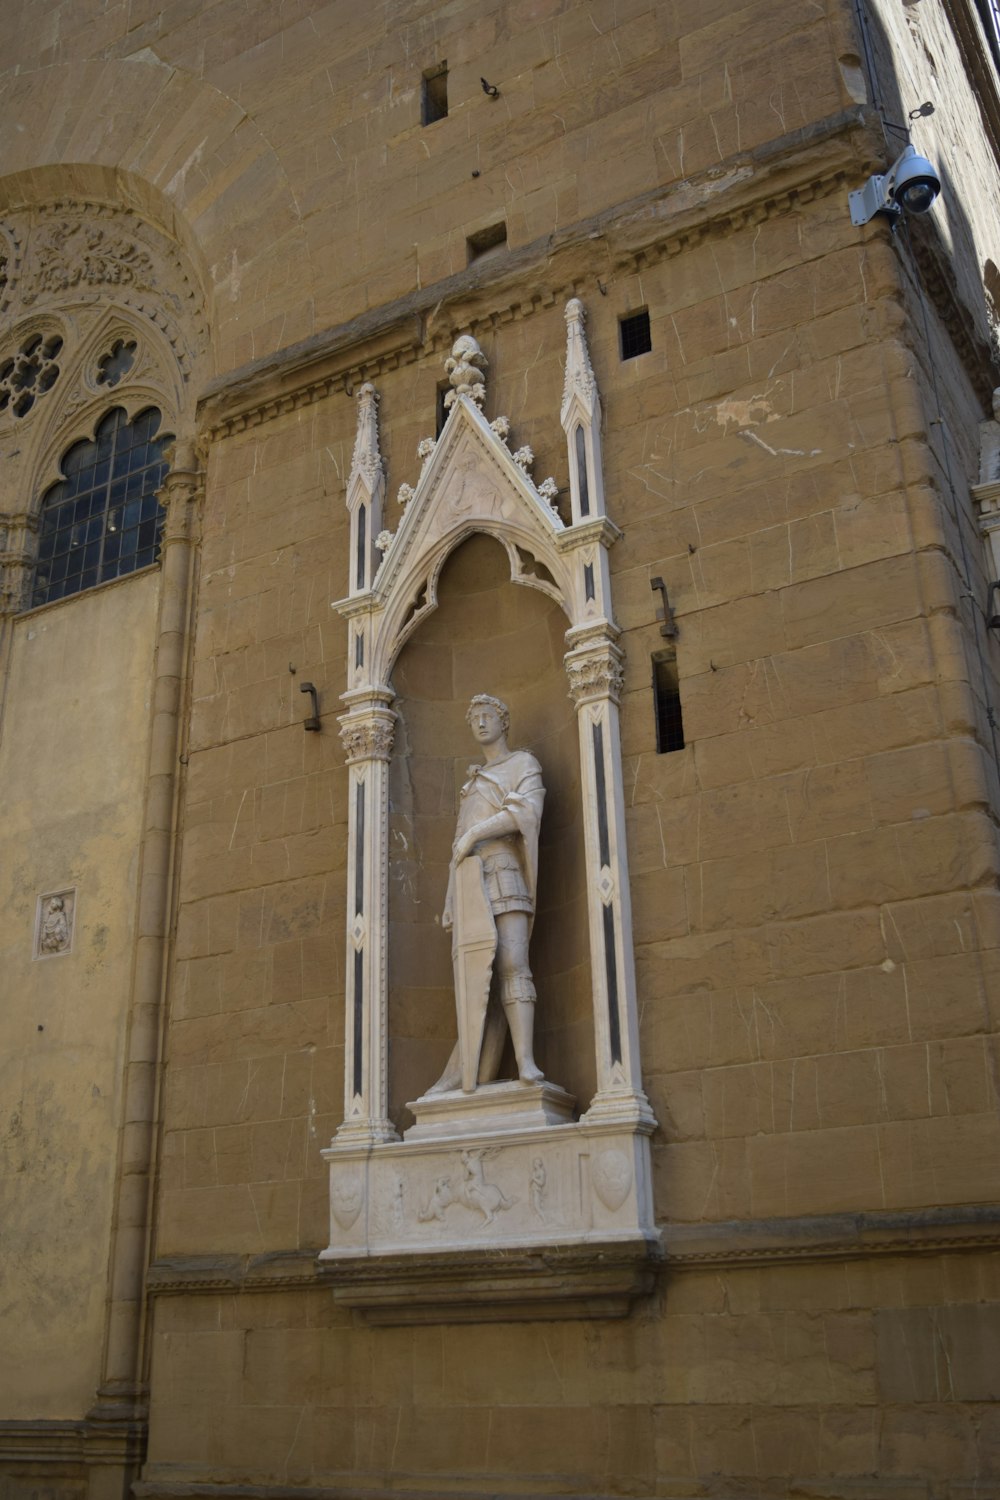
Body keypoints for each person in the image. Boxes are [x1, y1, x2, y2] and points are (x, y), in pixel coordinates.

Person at [429, 695, 545, 1092]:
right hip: (469, 883)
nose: (480, 723)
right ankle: (471, 1070)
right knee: (477, 975)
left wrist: (478, 834)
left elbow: (525, 813)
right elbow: (457, 845)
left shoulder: (523, 765)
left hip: (506, 869)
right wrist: (448, 900)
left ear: (503, 721)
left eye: (487, 716)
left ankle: (526, 1062)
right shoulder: (472, 783)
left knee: (514, 962)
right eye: (473, 718)